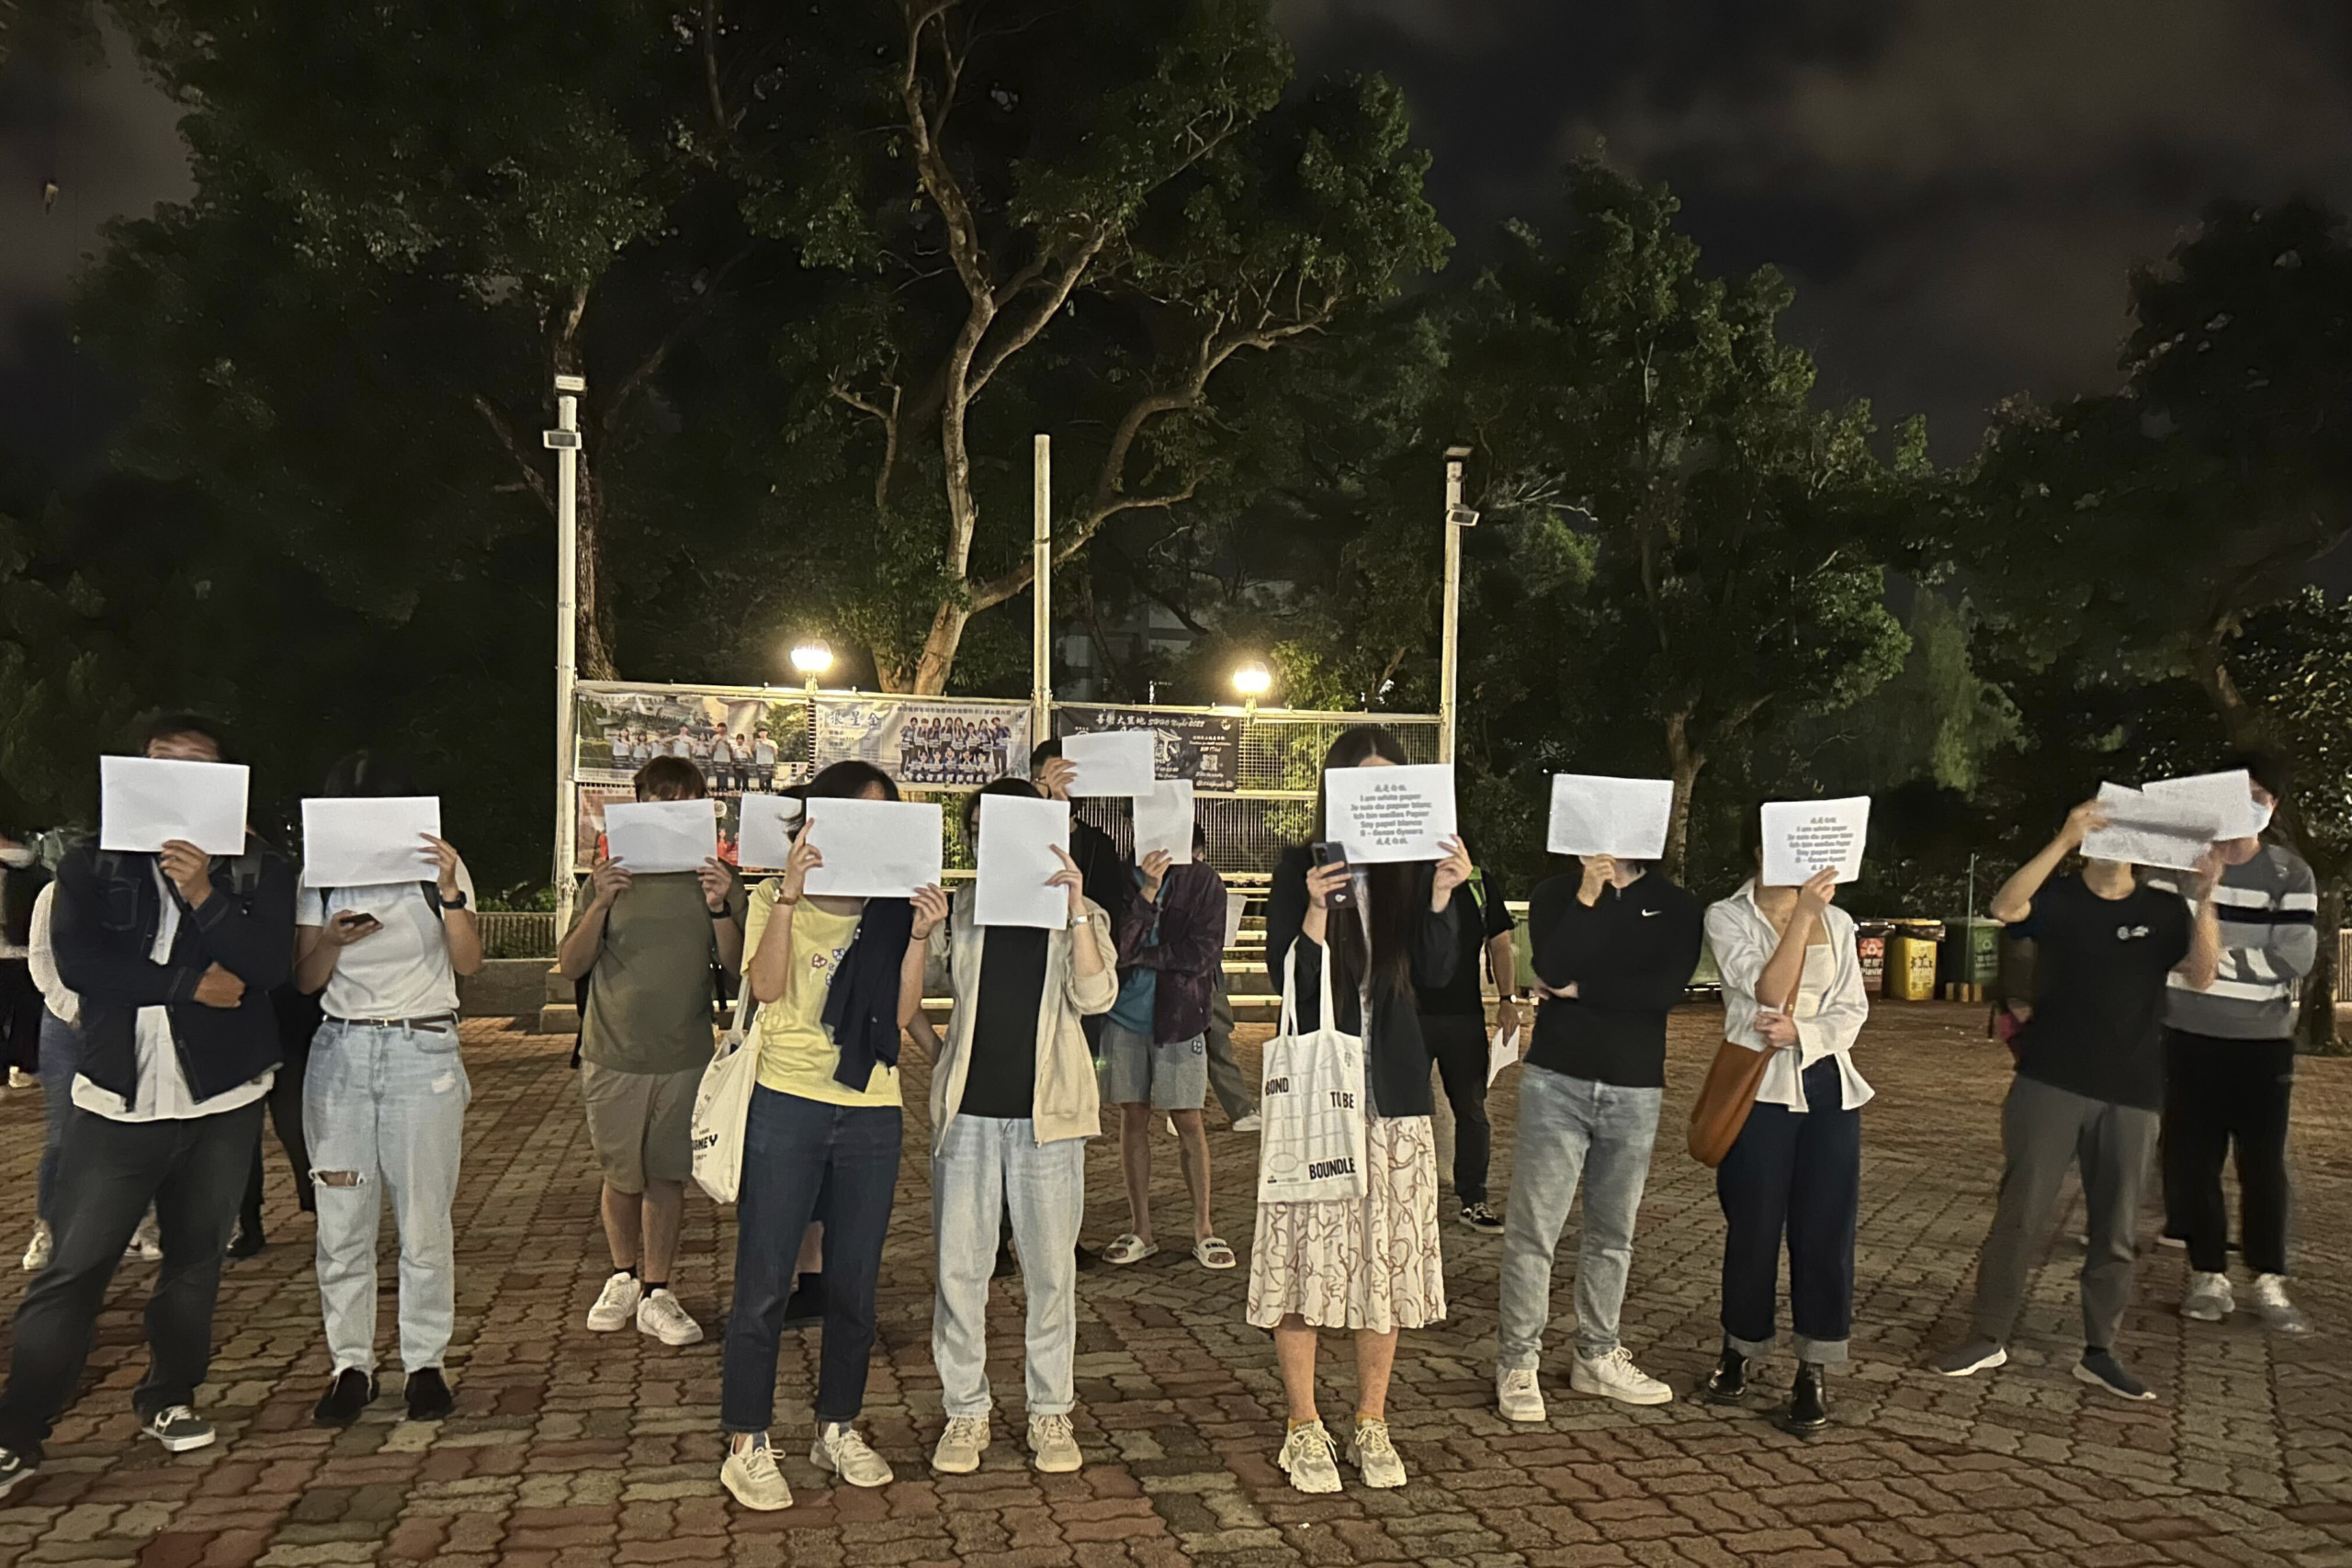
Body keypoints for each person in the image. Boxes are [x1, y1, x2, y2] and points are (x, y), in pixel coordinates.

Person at [0, 715, 295, 1498]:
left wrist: (201, 891)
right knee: (74, 1267)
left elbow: (267, 963)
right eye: (162, 766)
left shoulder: (256, 866)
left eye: (200, 770)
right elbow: (83, 961)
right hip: (116, 1099)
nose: (178, 783)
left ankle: (168, 1395)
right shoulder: (93, 864)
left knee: (195, 1262)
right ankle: (18, 1428)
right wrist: (187, 985)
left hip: (223, 1097)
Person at [1932, 800, 2221, 1401]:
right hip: (2050, 1080)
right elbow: (2006, 907)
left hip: (2134, 1090)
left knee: (2114, 1228)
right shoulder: (2061, 899)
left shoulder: (2163, 909)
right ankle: (1989, 1334)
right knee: (2020, 1214)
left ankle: (2100, 1350)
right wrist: (2063, 837)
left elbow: (2203, 972)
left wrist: (2207, 895)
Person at [1252, 726, 1469, 1495]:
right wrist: (1316, 911)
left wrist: (1446, 890)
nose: (1376, 796)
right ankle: (1302, 1423)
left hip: (1397, 1091)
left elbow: (1439, 972)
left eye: (1389, 783)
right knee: (1307, 1254)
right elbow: (1287, 974)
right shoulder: (1299, 867)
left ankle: (1371, 1418)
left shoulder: (1414, 873)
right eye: (1361, 782)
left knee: (1388, 1258)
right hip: (1320, 1088)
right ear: (1336, 791)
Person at [905, 779, 1115, 1478]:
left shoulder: (1078, 914)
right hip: (968, 1117)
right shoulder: (963, 909)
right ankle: (965, 1410)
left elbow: (1095, 996)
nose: (984, 838)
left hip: (1048, 1120)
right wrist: (942, 1060)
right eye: (977, 828)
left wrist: (1078, 908)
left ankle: (1050, 1408)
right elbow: (910, 998)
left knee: (1051, 1272)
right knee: (959, 1270)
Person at [718, 761, 911, 1511]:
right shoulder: (773, 893)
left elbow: (896, 1016)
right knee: (764, 1282)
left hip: (873, 1104)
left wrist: (922, 932)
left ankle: (837, 1426)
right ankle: (746, 1440)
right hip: (787, 1099)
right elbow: (765, 989)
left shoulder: (894, 906)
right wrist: (791, 897)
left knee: (855, 1285)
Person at [292, 753, 486, 1426]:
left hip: (422, 1047)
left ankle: (425, 1361)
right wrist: (334, 941)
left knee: (424, 1219)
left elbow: (468, 963)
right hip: (342, 1051)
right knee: (341, 1221)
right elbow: (307, 979)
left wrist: (450, 889)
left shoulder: (440, 869)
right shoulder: (320, 876)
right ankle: (351, 1364)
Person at [1495, 850, 1703, 1421]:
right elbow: (1552, 968)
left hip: (1635, 1087)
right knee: (1535, 1230)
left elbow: (1664, 991)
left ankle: (1597, 1353)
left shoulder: (1675, 905)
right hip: (1555, 1080)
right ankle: (1517, 1362)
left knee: (1614, 1232)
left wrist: (1583, 991)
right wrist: (1588, 895)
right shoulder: (1555, 894)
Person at [559, 755, 745, 1351]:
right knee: (620, 1172)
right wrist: (601, 901)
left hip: (686, 1047)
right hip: (612, 1048)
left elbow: (740, 969)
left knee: (668, 1173)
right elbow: (571, 963)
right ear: (637, 804)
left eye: (681, 802)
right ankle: (622, 1275)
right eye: (656, 801)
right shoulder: (610, 875)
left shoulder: (713, 876)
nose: (666, 812)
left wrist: (720, 903)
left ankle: (658, 1288)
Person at [1700, 817, 1871, 1438]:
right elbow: (1768, 989)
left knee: (1825, 1229)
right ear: (1758, 845)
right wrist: (1801, 916)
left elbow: (1853, 1008)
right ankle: (1738, 1349)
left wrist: (1809, 1032)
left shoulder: (1842, 922)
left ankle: (1814, 1368)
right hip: (1760, 1090)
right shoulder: (1727, 914)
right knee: (1752, 1225)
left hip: (1829, 1086)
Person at [2145, 755, 2319, 1334]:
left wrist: (2210, 957)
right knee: (2191, 1158)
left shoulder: (2289, 875)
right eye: (2240, 791)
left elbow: (2294, 958)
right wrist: (2206, 905)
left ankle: (2269, 1278)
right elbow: (2158, 945)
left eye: (2264, 795)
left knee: (2263, 1163)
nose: (2253, 803)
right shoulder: (2175, 869)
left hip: (2262, 1043)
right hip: (2188, 1036)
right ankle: (2207, 1273)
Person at [1102, 829, 1233, 1271]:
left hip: (1181, 1017)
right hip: (1123, 1016)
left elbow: (1203, 953)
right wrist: (1148, 893)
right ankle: (1141, 1228)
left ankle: (1204, 1227)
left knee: (1188, 1118)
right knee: (1132, 1115)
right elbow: (1116, 949)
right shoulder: (1122, 877)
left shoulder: (1205, 883)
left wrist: (1146, 955)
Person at [1412, 847, 1522, 1234]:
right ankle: (1405, 1196)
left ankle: (1474, 1198)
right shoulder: (1404, 876)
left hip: (1464, 1016)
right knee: (1403, 1110)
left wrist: (1507, 1000)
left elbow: (1500, 942)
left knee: (1472, 1110)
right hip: (1409, 1017)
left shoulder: (1477, 883)